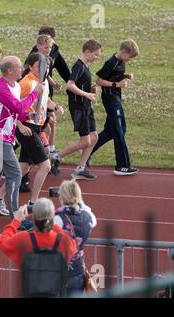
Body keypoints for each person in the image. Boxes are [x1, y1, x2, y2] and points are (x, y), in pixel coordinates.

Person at [0, 56, 41, 219]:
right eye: (19, 67)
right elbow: (17, 106)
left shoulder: (16, 86)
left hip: (5, 136)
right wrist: (34, 94)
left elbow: (14, 111)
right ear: (10, 71)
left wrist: (28, 115)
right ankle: (17, 217)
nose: (22, 69)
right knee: (16, 174)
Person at [15, 53, 64, 212]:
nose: (44, 69)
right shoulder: (26, 83)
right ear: (30, 67)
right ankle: (32, 203)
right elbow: (14, 106)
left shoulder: (42, 82)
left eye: (46, 67)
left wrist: (55, 107)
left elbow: (45, 100)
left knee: (24, 168)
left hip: (37, 126)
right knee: (45, 165)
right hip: (26, 126)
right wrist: (19, 125)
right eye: (39, 67)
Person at [52, 40, 102, 180]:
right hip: (79, 107)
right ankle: (56, 157)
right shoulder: (78, 65)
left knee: (94, 138)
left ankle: (80, 168)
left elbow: (79, 85)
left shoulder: (85, 66)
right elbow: (70, 85)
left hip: (86, 106)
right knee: (85, 141)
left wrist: (89, 89)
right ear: (87, 52)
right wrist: (86, 94)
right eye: (96, 55)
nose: (97, 58)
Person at [90, 39, 140, 176]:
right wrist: (117, 85)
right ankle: (122, 166)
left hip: (116, 99)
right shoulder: (110, 63)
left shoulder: (121, 62)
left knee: (111, 131)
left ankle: (87, 151)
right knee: (119, 131)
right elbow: (99, 80)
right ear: (124, 52)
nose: (130, 60)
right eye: (130, 57)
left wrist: (125, 76)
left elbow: (114, 76)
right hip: (110, 100)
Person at [25, 27, 71, 159]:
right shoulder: (34, 58)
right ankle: (46, 154)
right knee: (36, 129)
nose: (49, 49)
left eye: (50, 46)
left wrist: (52, 83)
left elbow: (47, 74)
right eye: (46, 46)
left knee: (45, 127)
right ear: (38, 45)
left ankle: (46, 154)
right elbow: (27, 73)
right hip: (34, 99)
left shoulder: (49, 57)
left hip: (44, 97)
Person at [0, 197, 76, 270]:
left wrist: (16, 221)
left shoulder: (24, 238)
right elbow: (73, 247)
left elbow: (3, 243)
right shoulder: (63, 240)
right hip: (55, 283)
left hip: (31, 283)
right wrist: (51, 222)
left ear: (34, 218)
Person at [54, 180, 97, 295]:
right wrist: (79, 201)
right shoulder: (89, 217)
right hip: (78, 269)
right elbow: (88, 211)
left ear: (62, 196)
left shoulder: (57, 218)